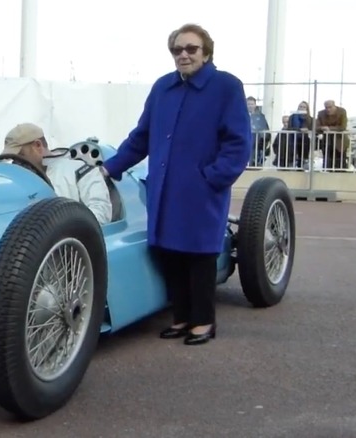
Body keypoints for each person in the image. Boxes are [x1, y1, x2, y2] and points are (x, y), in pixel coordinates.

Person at [100, 23, 252, 346]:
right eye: (177, 50)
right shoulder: (162, 89)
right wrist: (110, 167)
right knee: (171, 254)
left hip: (202, 191)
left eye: (191, 49)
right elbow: (142, 136)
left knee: (200, 256)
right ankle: (182, 318)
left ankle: (203, 323)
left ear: (206, 52)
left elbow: (238, 144)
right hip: (165, 189)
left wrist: (212, 178)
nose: (183, 55)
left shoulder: (226, 87)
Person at [1, 123, 112, 224]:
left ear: (38, 146)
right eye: (13, 158)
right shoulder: (20, 181)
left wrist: (66, 232)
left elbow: (101, 212)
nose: (16, 162)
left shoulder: (81, 171)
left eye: (20, 155)